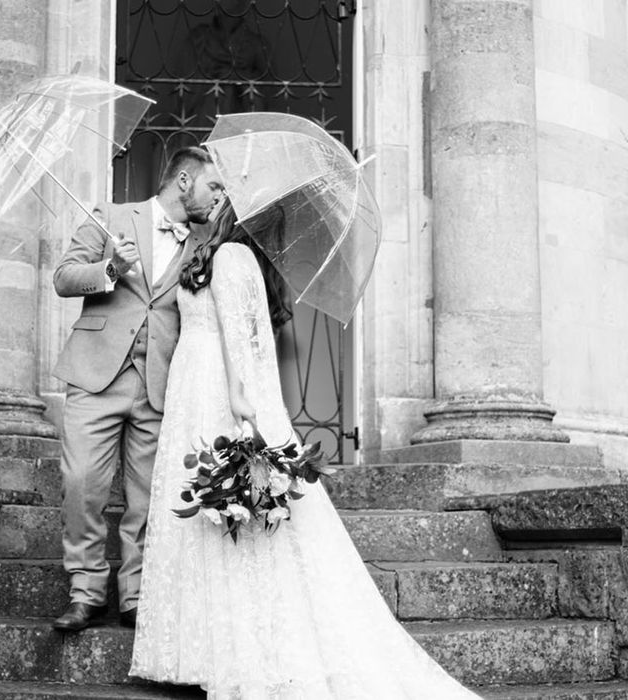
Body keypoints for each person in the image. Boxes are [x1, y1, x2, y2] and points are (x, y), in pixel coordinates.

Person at [130, 200, 481, 698]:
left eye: (221, 194)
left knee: (219, 512)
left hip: (210, 389)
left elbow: (237, 336)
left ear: (238, 214)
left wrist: (236, 398)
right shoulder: (232, 256)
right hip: (195, 384)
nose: (212, 198)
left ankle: (226, 650)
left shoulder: (229, 257)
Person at [51, 147, 224, 632]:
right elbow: (64, 277)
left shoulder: (207, 243)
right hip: (96, 375)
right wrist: (109, 269)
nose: (219, 198)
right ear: (185, 180)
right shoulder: (110, 216)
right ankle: (85, 592)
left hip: (162, 382)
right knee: (81, 483)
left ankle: (135, 595)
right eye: (215, 186)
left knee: (147, 497)